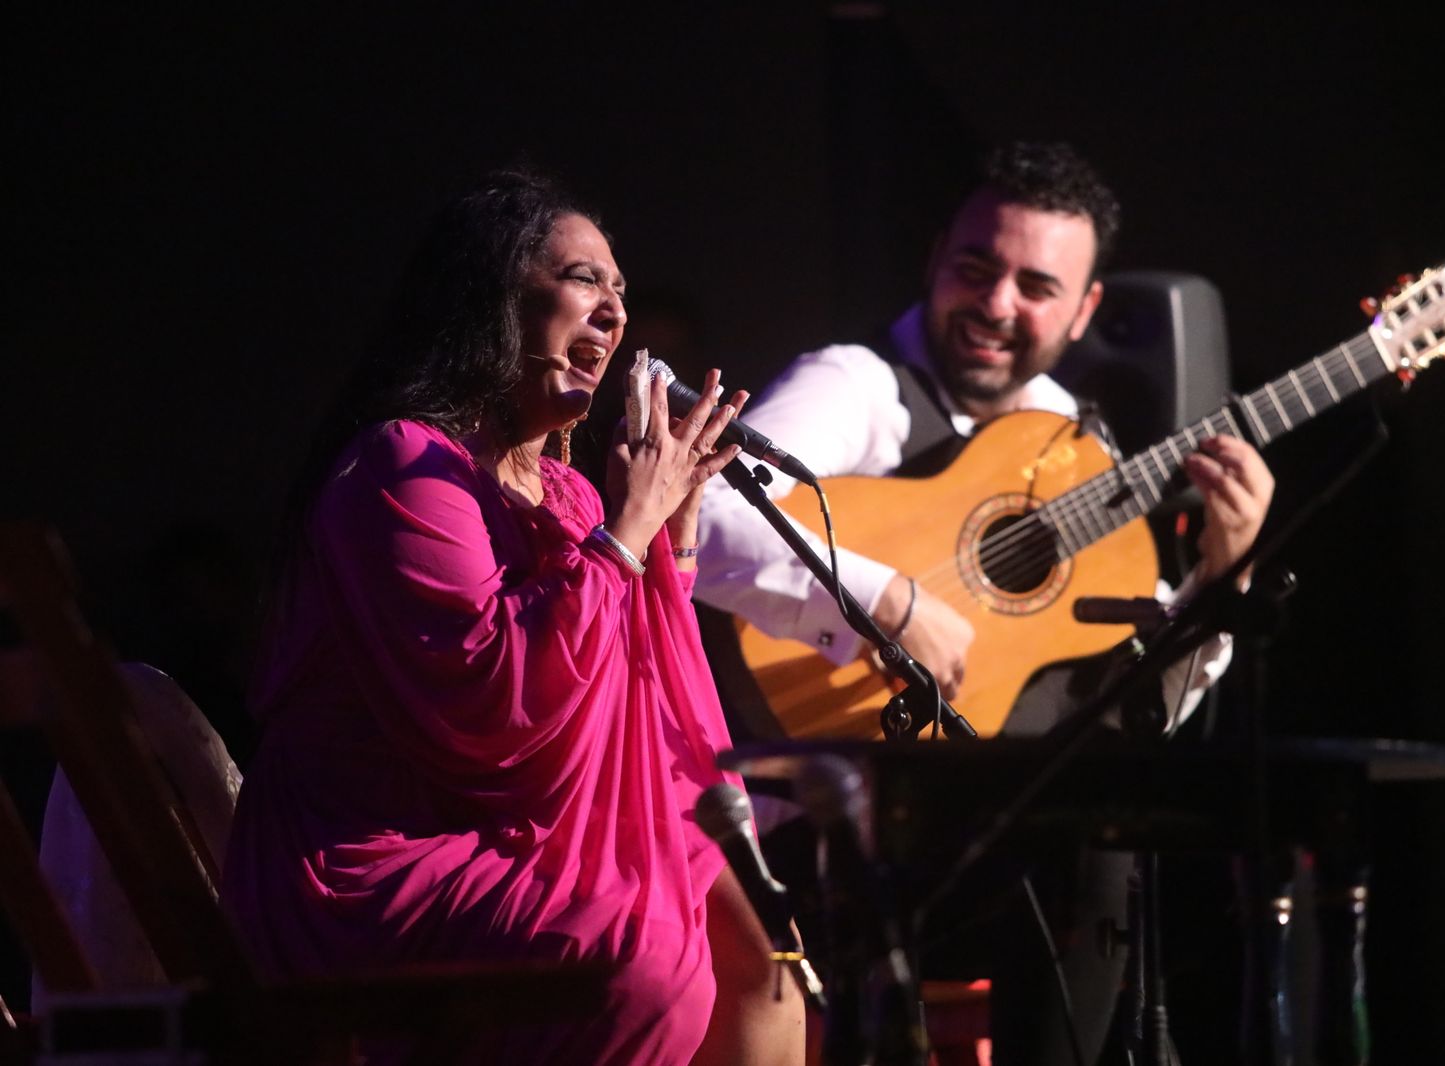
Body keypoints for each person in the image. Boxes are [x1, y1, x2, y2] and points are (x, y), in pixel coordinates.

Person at [693, 141, 1275, 1062]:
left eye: (1036, 286)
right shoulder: (856, 386)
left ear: (1084, 312)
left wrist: (1222, 577)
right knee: (1085, 856)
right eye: (977, 268)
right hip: (815, 827)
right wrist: (885, 598)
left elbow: (1140, 705)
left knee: (1107, 839)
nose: (998, 306)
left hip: (988, 854)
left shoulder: (1071, 445)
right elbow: (704, 515)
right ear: (936, 261)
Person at [221, 168, 805, 1065]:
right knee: (640, 965)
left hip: (534, 821)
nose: (614, 309)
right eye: (583, 280)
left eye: (619, 288)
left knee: (767, 970)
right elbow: (491, 705)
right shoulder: (403, 466)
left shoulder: (569, 490)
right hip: (392, 843)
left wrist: (668, 536)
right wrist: (631, 527)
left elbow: (622, 675)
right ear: (493, 301)